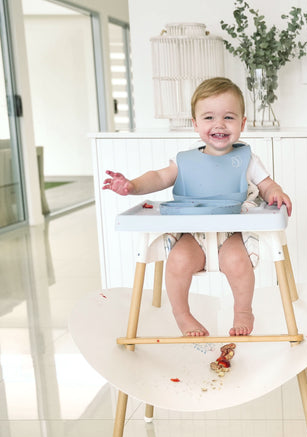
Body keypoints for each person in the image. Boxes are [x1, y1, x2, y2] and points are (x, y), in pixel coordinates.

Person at [103, 77, 292, 337]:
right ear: (195, 124)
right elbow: (158, 177)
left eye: (228, 117)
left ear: (242, 124)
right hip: (193, 234)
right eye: (209, 118)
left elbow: (267, 184)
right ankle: (182, 315)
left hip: (233, 233)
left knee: (237, 263)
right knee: (178, 262)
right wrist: (132, 186)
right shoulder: (185, 161)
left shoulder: (248, 159)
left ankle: (243, 310)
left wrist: (276, 192)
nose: (219, 124)